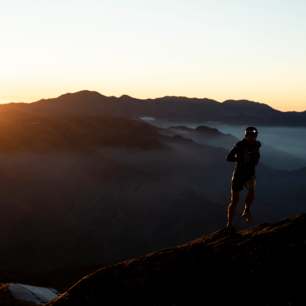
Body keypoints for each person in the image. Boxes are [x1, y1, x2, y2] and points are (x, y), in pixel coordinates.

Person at [226, 126, 261, 229]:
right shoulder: (239, 145)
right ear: (246, 136)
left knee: (252, 188)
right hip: (238, 175)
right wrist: (241, 158)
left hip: (249, 174)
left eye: (254, 136)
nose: (252, 138)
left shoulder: (257, 145)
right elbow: (228, 157)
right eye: (250, 136)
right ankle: (229, 224)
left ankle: (247, 211)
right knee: (234, 201)